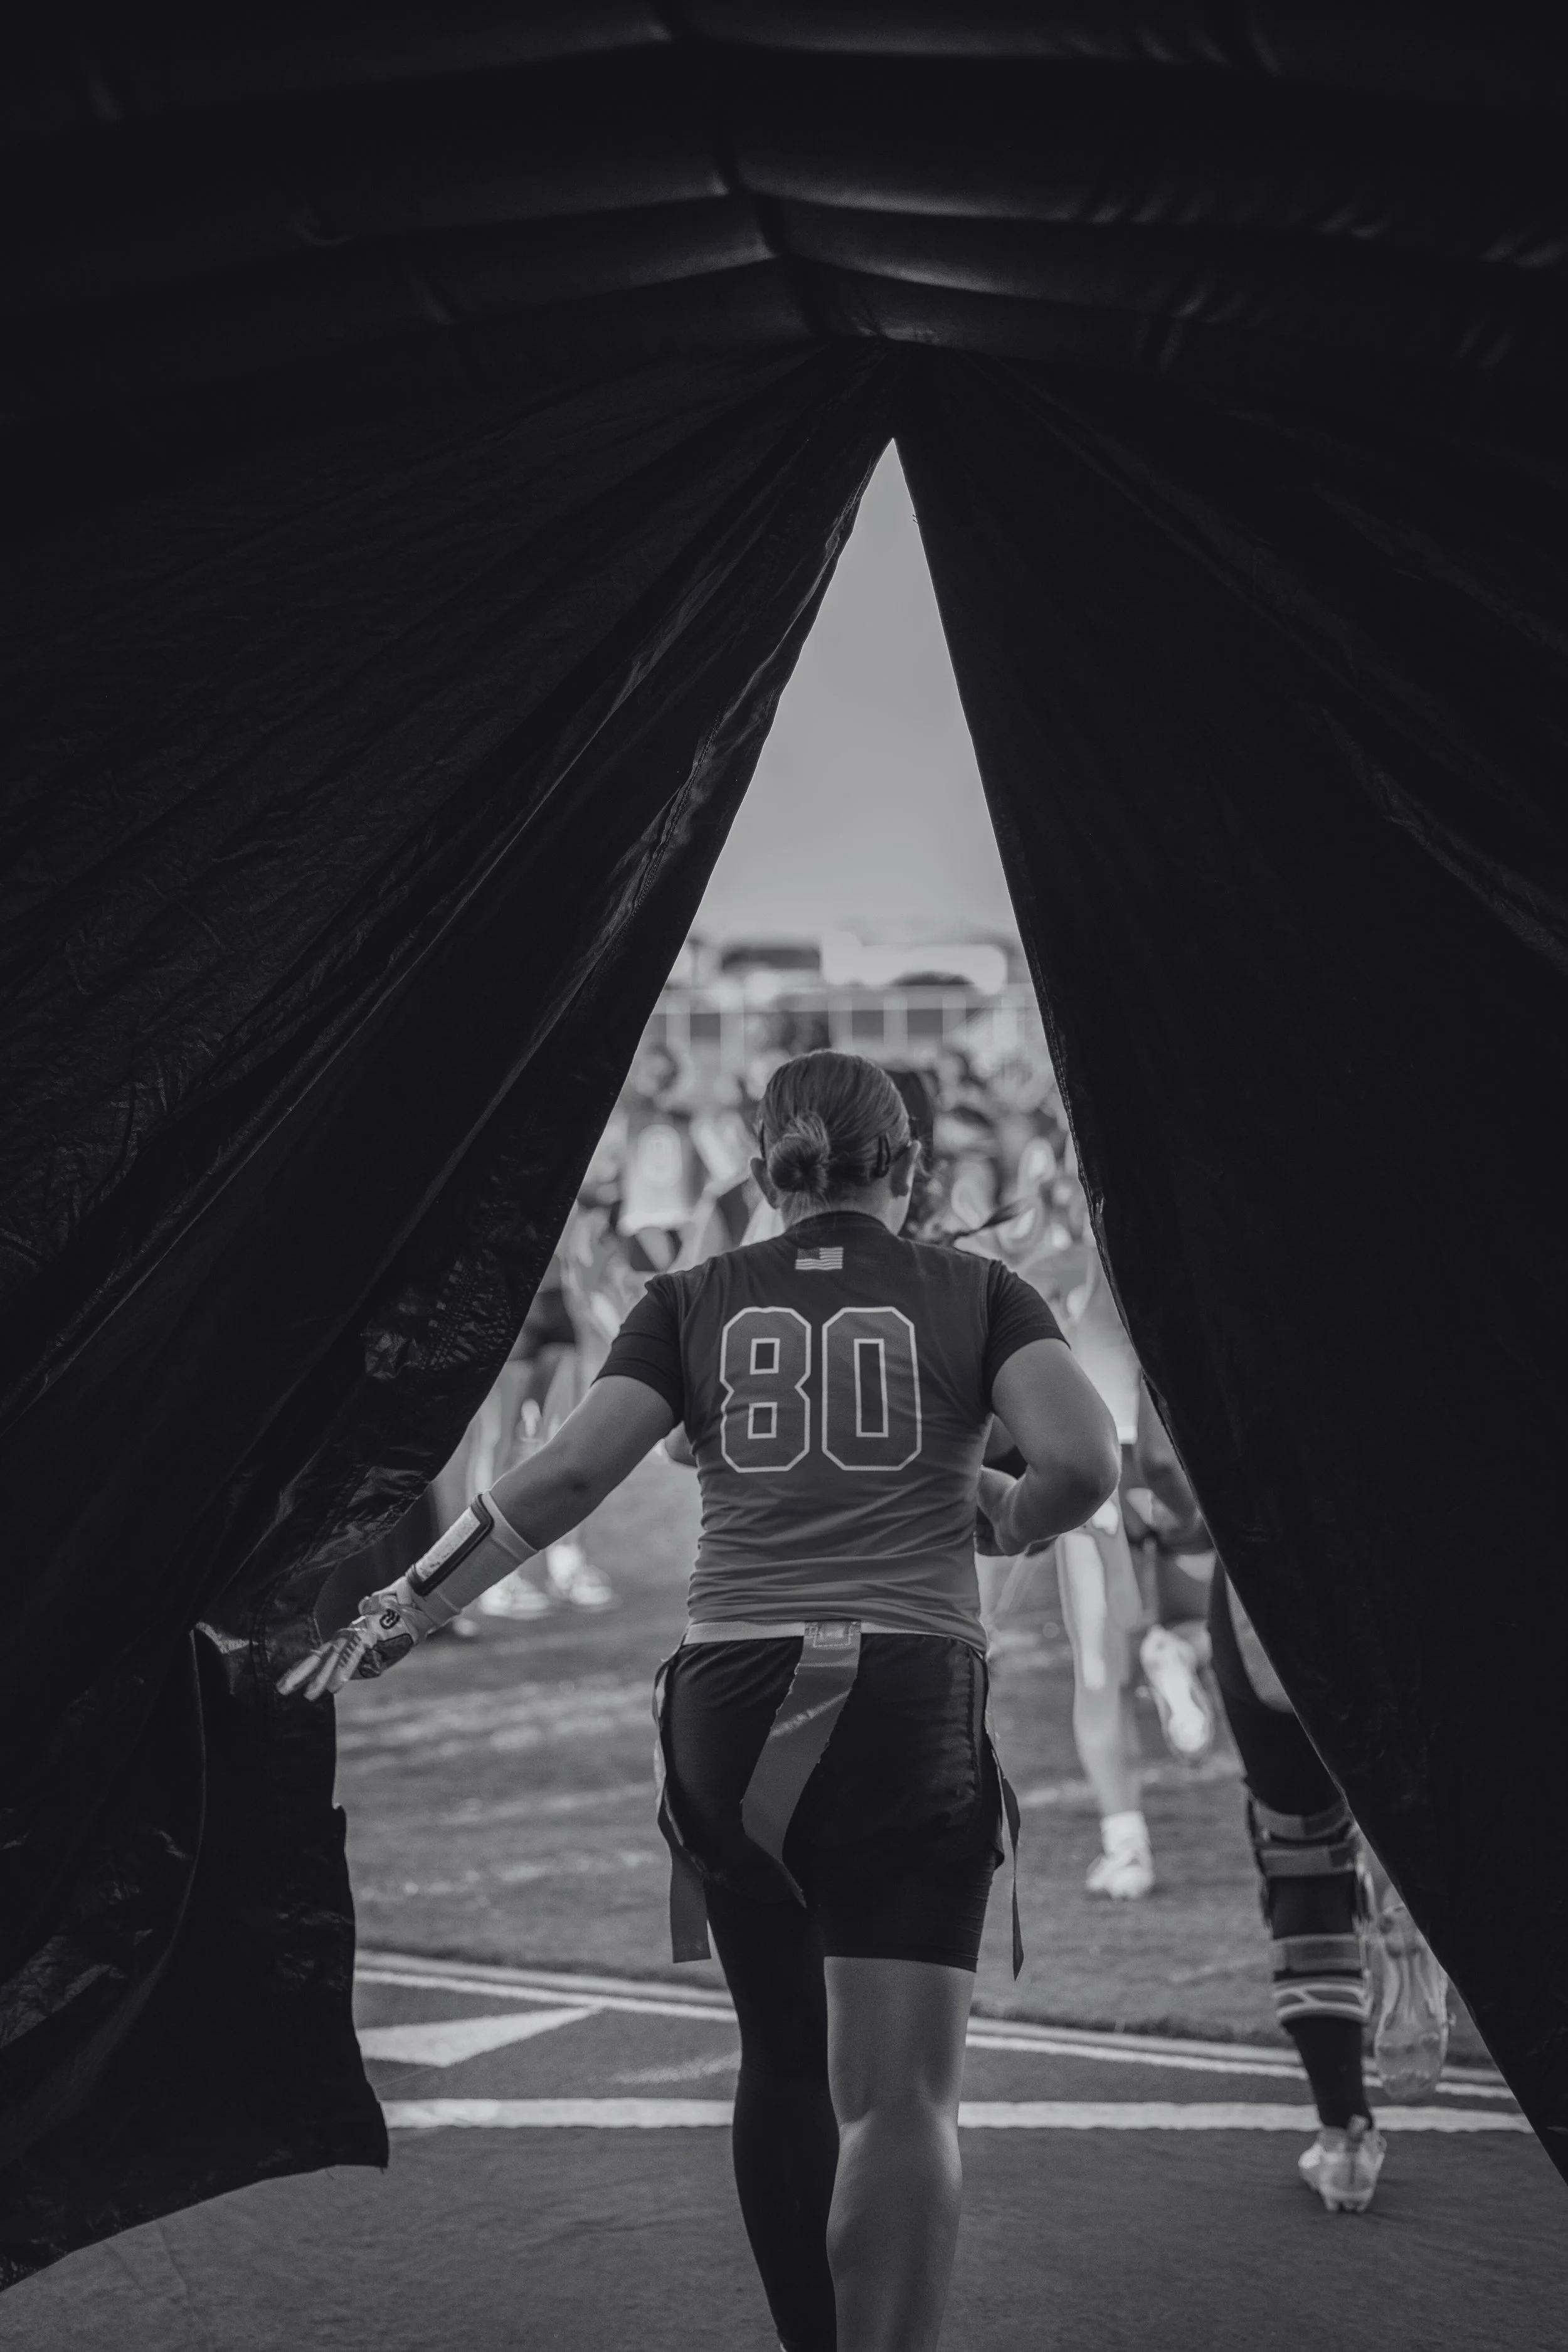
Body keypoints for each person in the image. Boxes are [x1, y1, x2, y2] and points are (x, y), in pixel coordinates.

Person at [280, 1049, 1120, 2352]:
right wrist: (1000, 1512)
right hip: (901, 1691)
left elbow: (566, 1477)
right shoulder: (979, 1289)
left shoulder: (693, 1296)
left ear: (764, 1169)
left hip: (733, 1697)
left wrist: (400, 1611)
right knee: (897, 2099)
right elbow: (1083, 1462)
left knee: (780, 2056)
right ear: (909, 1165)